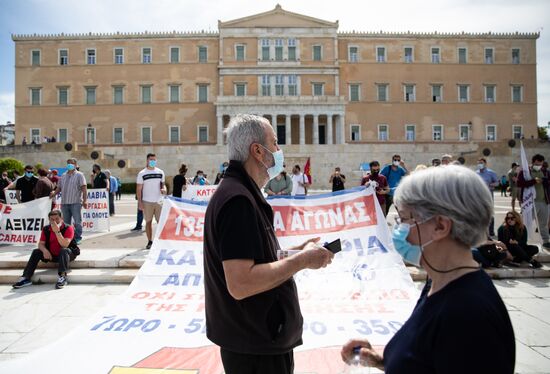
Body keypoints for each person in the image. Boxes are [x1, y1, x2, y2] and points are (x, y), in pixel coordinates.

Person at [341, 165, 515, 373]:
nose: (399, 230)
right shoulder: (439, 282)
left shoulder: (468, 315)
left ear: (441, 226)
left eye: (405, 219)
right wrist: (381, 361)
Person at [203, 114, 334, 374]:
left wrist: (297, 250)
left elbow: (256, 258)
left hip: (256, 340)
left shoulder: (241, 193)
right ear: (257, 151)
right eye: (274, 143)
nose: (279, 151)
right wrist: (303, 261)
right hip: (255, 347)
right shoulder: (238, 201)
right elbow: (241, 283)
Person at [12, 210, 78, 290]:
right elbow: (41, 244)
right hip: (51, 255)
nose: (55, 222)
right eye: (52, 220)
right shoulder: (46, 229)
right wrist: (44, 251)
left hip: (67, 254)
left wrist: (57, 231)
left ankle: (62, 277)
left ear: (61, 218)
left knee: (64, 250)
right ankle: (26, 277)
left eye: (57, 219)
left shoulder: (68, 228)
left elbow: (65, 244)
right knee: (36, 252)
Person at [50, 158, 87, 244]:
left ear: (75, 164)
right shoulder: (63, 176)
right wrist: (54, 193)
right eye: (68, 163)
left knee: (77, 221)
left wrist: (85, 200)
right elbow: (59, 187)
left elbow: (84, 189)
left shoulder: (80, 175)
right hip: (65, 202)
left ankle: (78, 237)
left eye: (71, 163)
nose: (69, 164)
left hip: (76, 202)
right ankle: (67, 236)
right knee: (66, 222)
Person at [517, 154, 550, 249]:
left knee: (543, 223)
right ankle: (522, 241)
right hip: (530, 202)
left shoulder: (545, 172)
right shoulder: (525, 171)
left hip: (544, 201)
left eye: (541, 163)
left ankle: (546, 241)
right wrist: (533, 181)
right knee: (526, 222)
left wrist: (544, 181)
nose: (539, 165)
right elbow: (519, 183)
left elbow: (548, 181)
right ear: (533, 162)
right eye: (537, 163)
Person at [136, 153, 166, 249]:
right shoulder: (142, 173)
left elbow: (163, 184)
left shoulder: (161, 172)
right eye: (151, 160)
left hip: (159, 201)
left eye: (154, 160)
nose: (152, 161)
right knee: (148, 222)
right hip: (147, 201)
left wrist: (165, 189)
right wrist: (140, 202)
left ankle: (160, 241)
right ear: (147, 161)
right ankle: (150, 241)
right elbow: (138, 189)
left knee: (160, 222)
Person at [476, 157, 498, 237]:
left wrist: (489, 184)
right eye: (478, 163)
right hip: (478, 197)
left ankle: (491, 231)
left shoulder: (491, 173)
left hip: (488, 196)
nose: (480, 164)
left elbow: (497, 183)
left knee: (489, 213)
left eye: (481, 163)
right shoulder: (476, 173)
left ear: (485, 164)